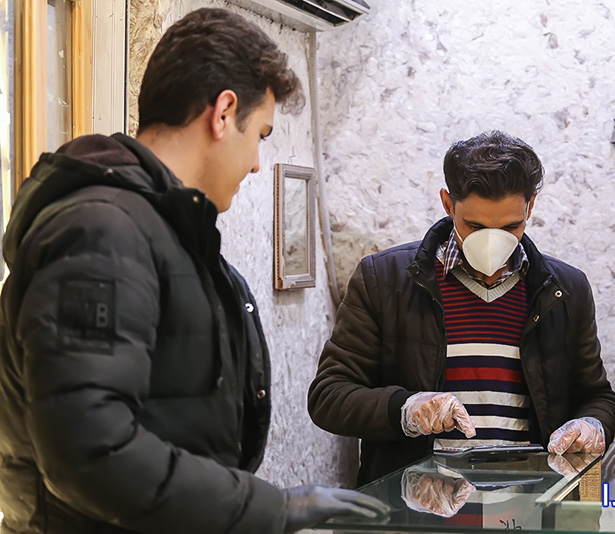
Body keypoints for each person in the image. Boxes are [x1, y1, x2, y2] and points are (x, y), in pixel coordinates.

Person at [0, 8, 387, 534]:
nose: (256, 163)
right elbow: (89, 450)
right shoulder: (101, 231)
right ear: (223, 113)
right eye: (261, 135)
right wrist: (273, 509)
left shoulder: (170, 233)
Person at [308, 130, 615, 485]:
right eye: (475, 226)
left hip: (527, 502)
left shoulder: (566, 290)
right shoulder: (383, 281)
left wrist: (591, 426)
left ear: (530, 206)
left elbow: (597, 397)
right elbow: (329, 396)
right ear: (447, 203)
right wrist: (404, 409)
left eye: (511, 226)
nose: (492, 243)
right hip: (416, 504)